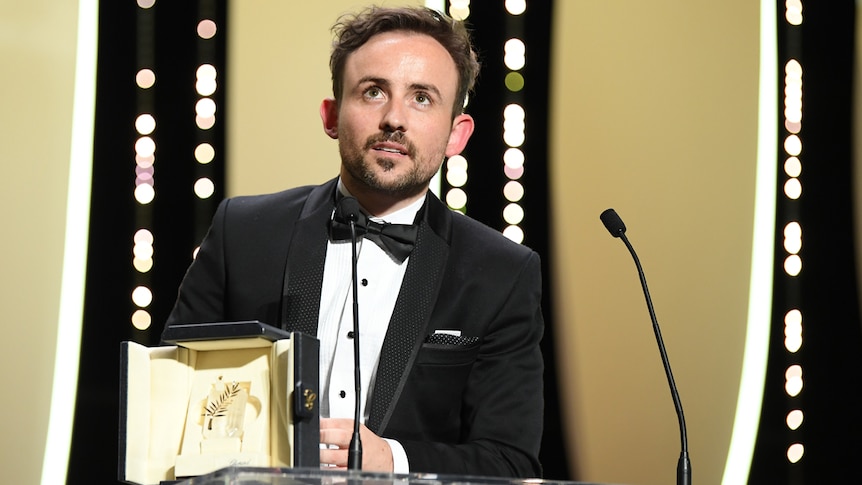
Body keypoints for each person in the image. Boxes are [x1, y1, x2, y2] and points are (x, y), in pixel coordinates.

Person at [164, 5, 544, 478]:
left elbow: (509, 460)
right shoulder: (242, 231)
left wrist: (394, 460)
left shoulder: (503, 273)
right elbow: (167, 407)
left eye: (422, 98)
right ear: (331, 115)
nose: (394, 119)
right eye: (372, 92)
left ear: (456, 134)